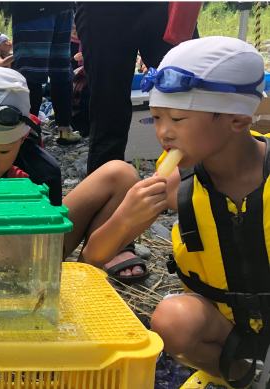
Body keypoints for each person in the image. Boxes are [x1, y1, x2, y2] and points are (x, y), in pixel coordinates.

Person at [104, 37, 270, 389]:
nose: (163, 133)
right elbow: (92, 256)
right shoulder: (177, 183)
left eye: (177, 119)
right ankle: (243, 375)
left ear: (237, 120)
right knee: (173, 319)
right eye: (156, 118)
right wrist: (124, 219)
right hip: (226, 330)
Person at [0, 67, 152, 282]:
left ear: (22, 138)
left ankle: (86, 274)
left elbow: (52, 243)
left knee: (122, 174)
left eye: (3, 150)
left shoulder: (41, 170)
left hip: (27, 258)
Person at [75, 3, 197, 174]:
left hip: (168, 6)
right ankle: (107, 193)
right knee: (109, 108)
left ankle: (196, 185)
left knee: (188, 95)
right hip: (103, 9)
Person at [9, 2, 82, 146]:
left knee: (30, 70)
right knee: (60, 65)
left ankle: (29, 131)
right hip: (63, 7)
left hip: (31, 10)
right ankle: (64, 129)